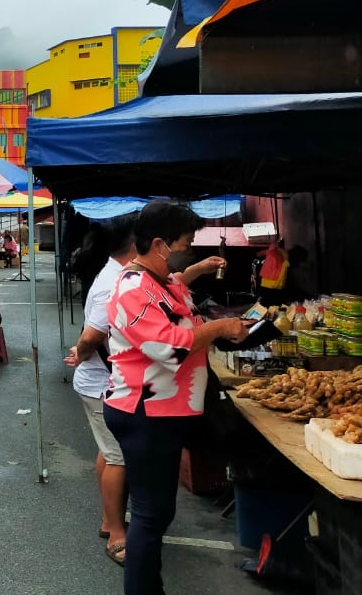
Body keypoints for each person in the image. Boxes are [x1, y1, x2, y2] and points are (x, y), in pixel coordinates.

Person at [102, 200, 244, 595]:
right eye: (186, 242)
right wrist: (220, 328)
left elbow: (173, 292)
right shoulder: (132, 288)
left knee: (156, 513)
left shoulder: (159, 279)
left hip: (165, 412)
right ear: (161, 243)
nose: (189, 248)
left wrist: (195, 271)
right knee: (150, 516)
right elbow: (169, 346)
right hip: (145, 412)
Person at [62, 214, 137, 567]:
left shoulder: (119, 274)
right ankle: (118, 534)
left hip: (103, 382)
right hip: (102, 384)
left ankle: (110, 521)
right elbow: (93, 335)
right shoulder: (111, 283)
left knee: (109, 452)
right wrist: (82, 351)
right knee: (119, 456)